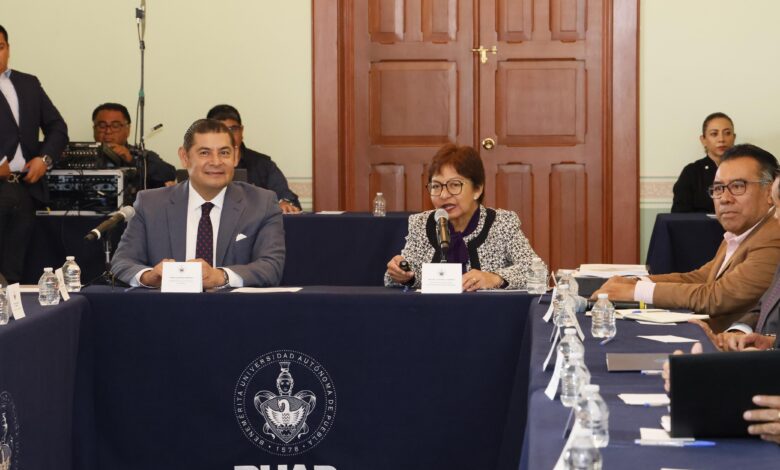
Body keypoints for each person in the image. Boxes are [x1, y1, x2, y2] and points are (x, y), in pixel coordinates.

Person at [595, 144, 780, 332]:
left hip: (735, 349)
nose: (724, 198)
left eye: (738, 186)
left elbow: (717, 297)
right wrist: (637, 282)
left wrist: (635, 292)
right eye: (718, 188)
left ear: (770, 192)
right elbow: (701, 277)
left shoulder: (773, 237)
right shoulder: (742, 230)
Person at [111, 118, 285, 288]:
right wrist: (149, 276)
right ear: (184, 157)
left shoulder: (262, 203)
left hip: (234, 311)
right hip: (167, 310)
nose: (216, 162)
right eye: (204, 153)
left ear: (236, 156)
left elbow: (271, 267)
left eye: (224, 153)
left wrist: (220, 276)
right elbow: (122, 262)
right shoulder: (150, 204)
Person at [385, 144, 539, 290]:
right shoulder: (421, 223)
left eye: (454, 185)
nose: (444, 195)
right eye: (436, 186)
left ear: (477, 190)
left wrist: (494, 278)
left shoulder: (501, 223)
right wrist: (402, 274)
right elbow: (399, 277)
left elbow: (537, 271)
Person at [0, 24, 68, 283]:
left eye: (0, 47)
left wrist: (44, 159)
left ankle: (10, 324)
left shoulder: (27, 83)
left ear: (8, 48)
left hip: (22, 189)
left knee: (14, 271)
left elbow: (57, 128)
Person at [206, 104, 301, 213]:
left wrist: (285, 203)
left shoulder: (263, 165)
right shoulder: (202, 165)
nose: (228, 135)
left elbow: (287, 198)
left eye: (233, 129)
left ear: (241, 131)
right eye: (220, 130)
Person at [92, 102, 176, 189]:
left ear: (128, 130)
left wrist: (132, 161)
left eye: (115, 126)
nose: (108, 131)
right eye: (102, 126)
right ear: (94, 128)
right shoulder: (81, 155)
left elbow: (169, 174)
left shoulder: (141, 156)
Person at [671, 112, 736, 213]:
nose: (721, 139)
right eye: (714, 134)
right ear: (703, 140)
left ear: (734, 137)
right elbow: (679, 215)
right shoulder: (691, 172)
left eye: (727, 133)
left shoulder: (743, 170)